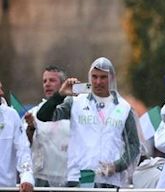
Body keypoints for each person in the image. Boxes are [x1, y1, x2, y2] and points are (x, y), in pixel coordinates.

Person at [37, 57, 140, 188]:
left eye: (103, 77)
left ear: (112, 78)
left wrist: (116, 166)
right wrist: (60, 94)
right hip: (78, 178)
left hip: (110, 181)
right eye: (94, 77)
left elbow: (134, 145)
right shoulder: (75, 101)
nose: (98, 82)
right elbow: (43, 116)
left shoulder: (124, 108)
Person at [24, 66, 69, 187]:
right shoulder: (34, 112)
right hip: (41, 178)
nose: (47, 84)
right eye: (44, 81)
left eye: (52, 80)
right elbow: (24, 146)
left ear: (63, 84)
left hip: (67, 177)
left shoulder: (72, 109)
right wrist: (31, 128)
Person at [0, 80, 34, 192]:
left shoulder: (11, 115)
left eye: (1, 88)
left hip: (6, 188)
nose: (1, 93)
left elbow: (23, 150)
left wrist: (27, 177)